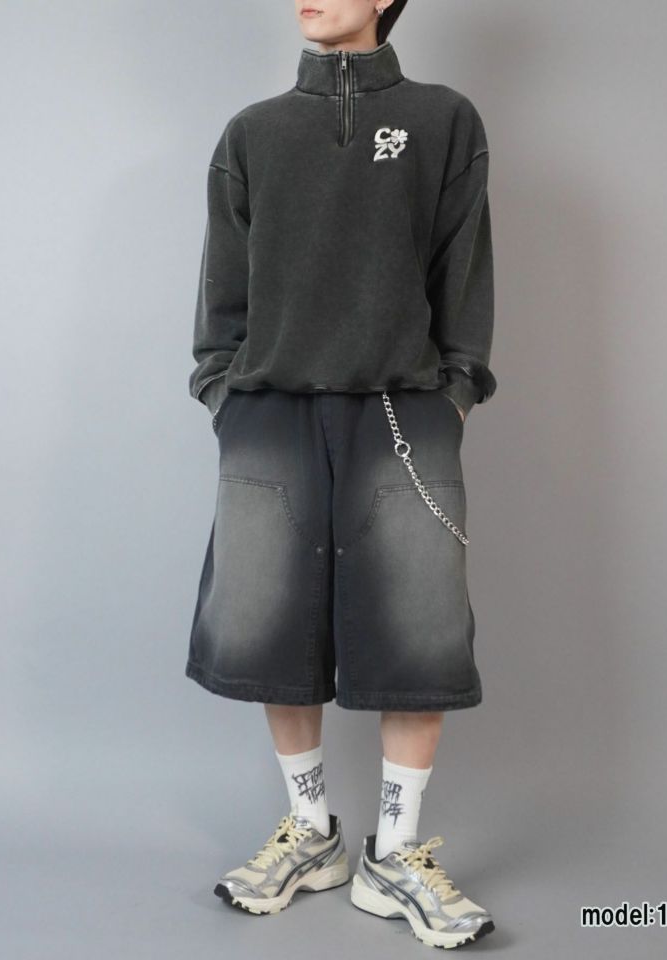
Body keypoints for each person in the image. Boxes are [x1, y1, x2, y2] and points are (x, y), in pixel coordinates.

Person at [185, 0, 497, 948]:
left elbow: (463, 271)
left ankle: (394, 853)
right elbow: (223, 291)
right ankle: (310, 831)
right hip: (271, 412)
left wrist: (454, 392)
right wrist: (225, 393)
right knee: (270, 621)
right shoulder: (252, 133)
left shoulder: (444, 120)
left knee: (419, 629)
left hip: (403, 409)